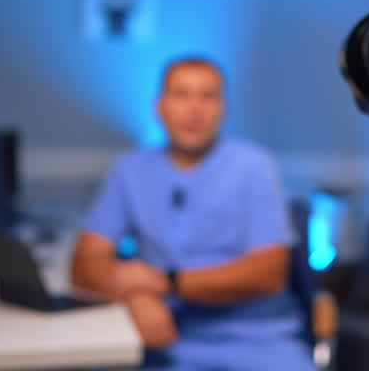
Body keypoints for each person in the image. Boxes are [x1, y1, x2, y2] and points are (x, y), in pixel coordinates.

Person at [71, 57, 314, 371]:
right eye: (181, 95)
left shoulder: (254, 166)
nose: (194, 109)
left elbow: (268, 273)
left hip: (259, 342)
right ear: (160, 106)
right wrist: (135, 297)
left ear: (222, 108)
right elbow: (85, 262)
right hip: (166, 339)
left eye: (207, 96)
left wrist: (165, 282)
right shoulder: (130, 170)